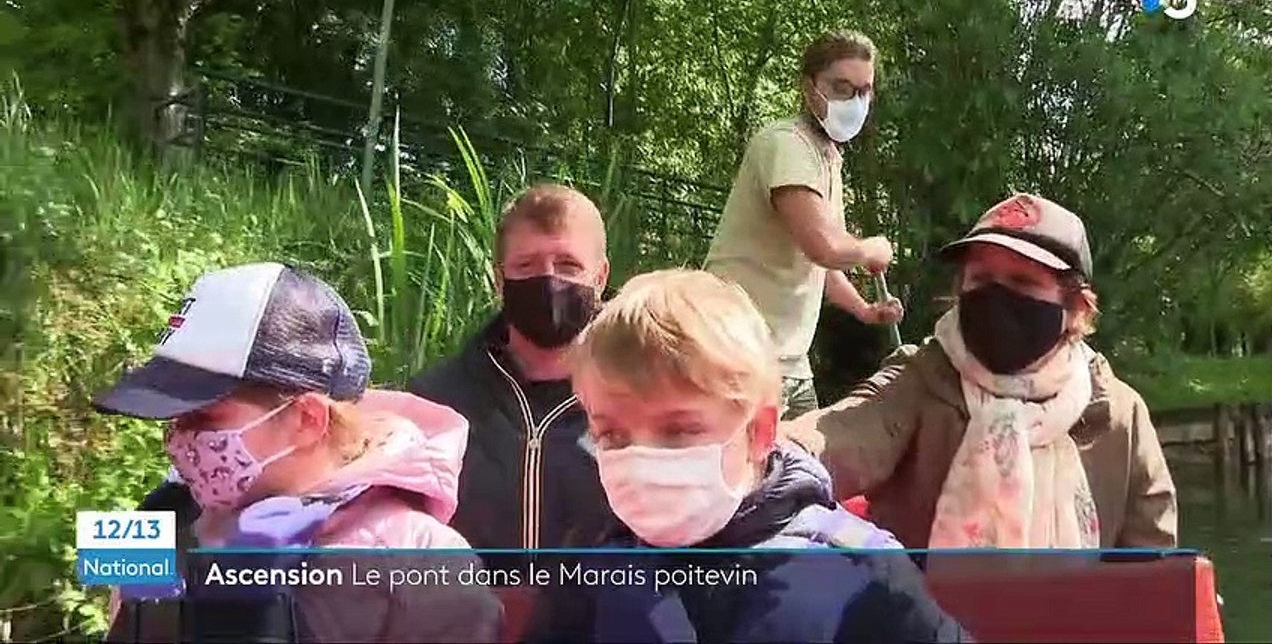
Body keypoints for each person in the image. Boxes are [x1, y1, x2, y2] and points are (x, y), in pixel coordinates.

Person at [528, 269, 969, 643]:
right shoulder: (589, 564)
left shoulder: (861, 568)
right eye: (613, 435)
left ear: (759, 432)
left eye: (679, 430)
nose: (643, 458)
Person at [96, 262, 501, 643]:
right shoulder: (160, 512)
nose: (178, 442)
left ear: (308, 418)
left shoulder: (421, 559)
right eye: (173, 419)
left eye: (203, 418)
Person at [782, 194, 1178, 550]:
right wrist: (757, 457)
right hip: (922, 621)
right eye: (982, 279)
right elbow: (835, 435)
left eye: (1022, 282)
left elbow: (1155, 566)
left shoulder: (1117, 413)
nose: (996, 297)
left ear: (1074, 307)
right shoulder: (922, 377)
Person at [705, 29, 904, 421]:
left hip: (789, 361)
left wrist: (865, 311)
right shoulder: (787, 145)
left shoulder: (827, 157)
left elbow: (824, 268)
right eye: (841, 87)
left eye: (864, 91)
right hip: (738, 350)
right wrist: (872, 248)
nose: (855, 102)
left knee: (800, 474)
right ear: (809, 86)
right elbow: (825, 247)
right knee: (754, 476)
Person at [407, 183, 614, 553]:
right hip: (465, 606)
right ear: (500, 281)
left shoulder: (638, 404)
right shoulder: (435, 402)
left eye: (568, 265)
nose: (549, 280)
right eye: (526, 266)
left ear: (600, 278)